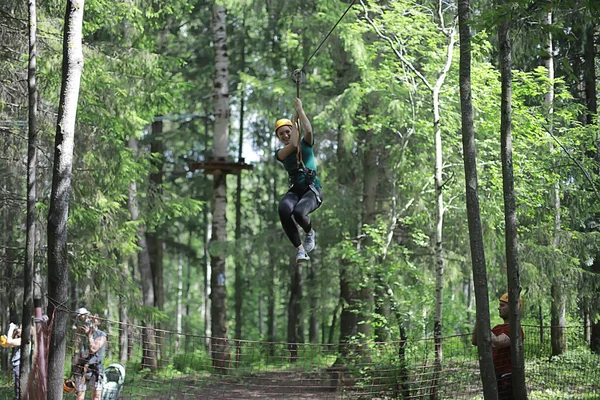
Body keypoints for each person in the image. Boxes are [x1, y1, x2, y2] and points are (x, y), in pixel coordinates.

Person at [275, 97, 323, 262]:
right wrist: (293, 122)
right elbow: (293, 144)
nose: (285, 135)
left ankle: (309, 233)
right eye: (282, 134)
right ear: (278, 137)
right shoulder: (281, 153)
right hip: (296, 189)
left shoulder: (306, 143)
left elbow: (308, 131)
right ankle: (300, 250)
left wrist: (300, 111)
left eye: (288, 131)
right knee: (283, 209)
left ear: (293, 130)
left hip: (311, 189)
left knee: (299, 213)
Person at [471, 293, 524, 400]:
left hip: (507, 377)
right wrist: (479, 320)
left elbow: (498, 342)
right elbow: (475, 341)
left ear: (514, 308)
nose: (499, 308)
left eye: (503, 305)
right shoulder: (497, 328)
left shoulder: (515, 330)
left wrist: (484, 323)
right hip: (494, 376)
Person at [72, 308, 107, 400]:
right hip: (81, 368)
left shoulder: (101, 335)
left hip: (96, 369)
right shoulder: (80, 334)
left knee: (96, 396)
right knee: (79, 396)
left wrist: (89, 336)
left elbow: (93, 349)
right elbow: (75, 351)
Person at [1, 322, 22, 400]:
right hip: (17, 365)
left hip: (20, 365)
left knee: (19, 386)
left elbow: (9, 341)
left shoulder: (22, 340)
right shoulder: (18, 340)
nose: (18, 330)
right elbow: (7, 343)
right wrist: (12, 333)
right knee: (17, 386)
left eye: (20, 328)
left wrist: (11, 328)